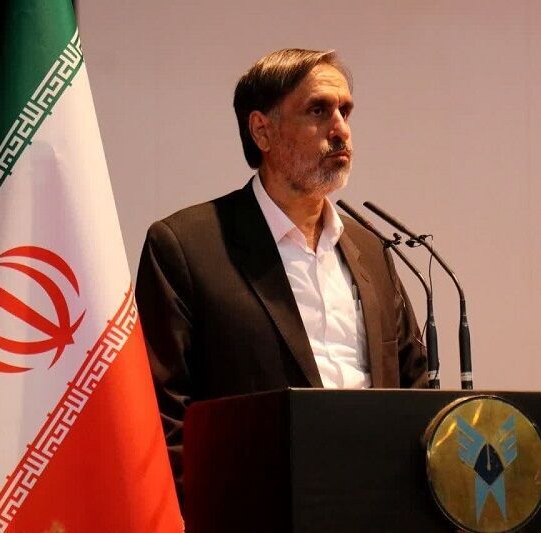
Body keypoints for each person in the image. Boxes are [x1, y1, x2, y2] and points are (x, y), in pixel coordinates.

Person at [135, 48, 427, 504]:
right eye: (318, 110)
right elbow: (163, 411)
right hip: (255, 510)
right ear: (262, 130)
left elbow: (414, 384)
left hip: (375, 506)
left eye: (345, 111)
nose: (340, 129)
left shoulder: (371, 250)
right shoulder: (187, 246)